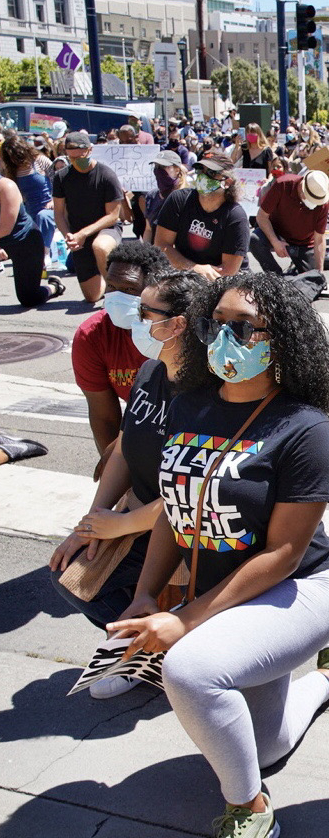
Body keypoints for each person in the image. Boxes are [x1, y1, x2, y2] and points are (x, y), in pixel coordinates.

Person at [107, 271, 329, 838]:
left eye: (245, 327)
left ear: (282, 338)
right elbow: (173, 514)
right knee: (258, 749)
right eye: (219, 323)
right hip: (229, 599)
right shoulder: (189, 404)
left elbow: (286, 552)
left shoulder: (304, 426)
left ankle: (250, 811)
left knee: (190, 670)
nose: (225, 337)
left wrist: (184, 620)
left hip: (299, 593)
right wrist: (145, 592)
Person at [50, 271, 204, 696]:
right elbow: (122, 447)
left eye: (144, 312)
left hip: (183, 527)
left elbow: (198, 487)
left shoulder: (207, 392)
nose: (135, 321)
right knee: (68, 573)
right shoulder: (150, 371)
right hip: (137, 512)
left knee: (147, 588)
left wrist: (123, 525)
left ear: (178, 325)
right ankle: (146, 640)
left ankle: (160, 642)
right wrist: (93, 520)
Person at [71, 240, 170, 463]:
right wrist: (114, 469)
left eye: (128, 289)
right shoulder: (92, 335)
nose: (116, 297)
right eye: (111, 287)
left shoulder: (177, 329)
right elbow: (103, 416)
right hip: (142, 429)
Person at [52, 132, 125, 303]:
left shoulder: (106, 175)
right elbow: (59, 213)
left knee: (99, 246)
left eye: (80, 156)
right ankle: (109, 283)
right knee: (91, 297)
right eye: (72, 158)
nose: (77, 161)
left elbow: (113, 216)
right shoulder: (61, 177)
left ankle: (119, 295)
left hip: (107, 229)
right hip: (78, 235)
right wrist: (68, 235)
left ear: (90, 150)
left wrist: (83, 233)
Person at [154, 154, 250, 281]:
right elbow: (162, 245)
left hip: (225, 280)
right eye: (200, 170)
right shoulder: (178, 200)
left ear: (227, 182)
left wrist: (198, 276)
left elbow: (228, 271)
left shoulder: (235, 217)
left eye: (210, 172)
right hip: (186, 273)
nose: (202, 176)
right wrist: (193, 268)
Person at [250, 169, 329, 275]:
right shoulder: (282, 185)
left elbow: (319, 239)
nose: (314, 203)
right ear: (302, 188)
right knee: (255, 240)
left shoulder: (322, 201)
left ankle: (296, 270)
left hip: (304, 243)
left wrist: (320, 272)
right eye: (311, 199)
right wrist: (275, 241)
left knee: (310, 278)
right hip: (277, 232)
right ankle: (275, 276)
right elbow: (261, 216)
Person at [0, 170, 52, 308]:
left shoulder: (6, 186)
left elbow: (5, 228)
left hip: (24, 242)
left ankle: (54, 287)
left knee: (29, 298)